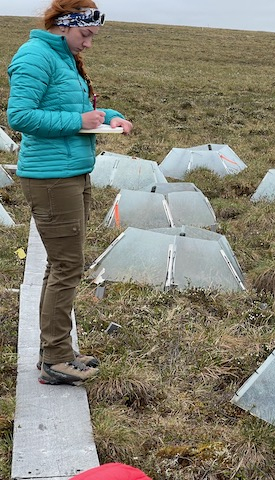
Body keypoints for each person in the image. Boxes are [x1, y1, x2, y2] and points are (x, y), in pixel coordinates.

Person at [7, 0, 133, 386]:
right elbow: (20, 116)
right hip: (50, 178)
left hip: (72, 171)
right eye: (85, 35)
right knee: (67, 266)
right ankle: (56, 358)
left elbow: (75, 111)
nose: (89, 44)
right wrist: (78, 121)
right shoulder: (35, 56)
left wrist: (108, 117)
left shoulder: (63, 59)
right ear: (64, 26)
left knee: (60, 264)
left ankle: (54, 351)